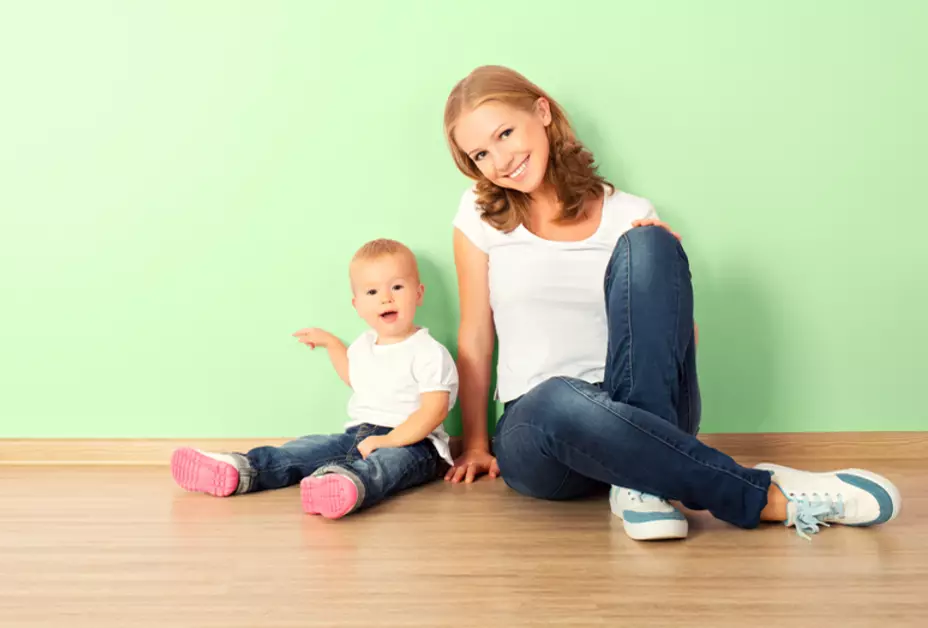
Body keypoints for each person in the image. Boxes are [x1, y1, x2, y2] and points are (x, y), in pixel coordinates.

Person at [441, 65, 900, 541]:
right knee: (556, 396)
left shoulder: (630, 213)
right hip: (540, 433)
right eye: (480, 153)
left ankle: (639, 486)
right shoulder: (478, 214)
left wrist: (665, 275)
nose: (500, 160)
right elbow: (476, 332)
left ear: (542, 112)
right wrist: (475, 442)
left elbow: (677, 347)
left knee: (652, 246)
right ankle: (765, 497)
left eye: (505, 133)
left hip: (643, 404)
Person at [170, 238, 458, 519]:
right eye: (372, 292)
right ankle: (244, 468)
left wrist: (391, 440)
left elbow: (434, 410)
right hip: (357, 434)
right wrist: (333, 344)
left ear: (418, 293)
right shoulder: (363, 345)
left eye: (397, 287)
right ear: (357, 305)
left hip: (415, 443)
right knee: (307, 449)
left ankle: (345, 484)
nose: (386, 297)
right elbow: (356, 378)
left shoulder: (429, 351)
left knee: (387, 466)